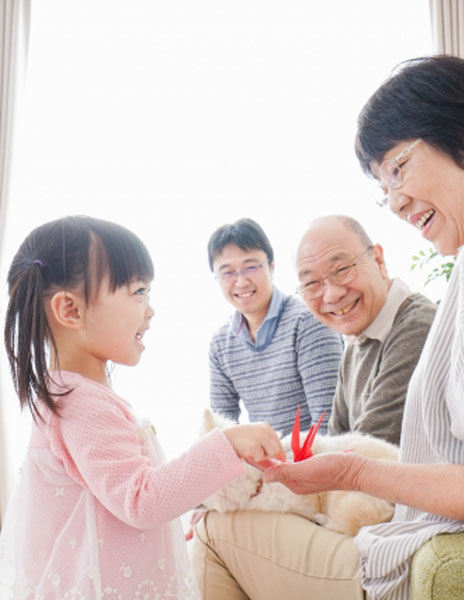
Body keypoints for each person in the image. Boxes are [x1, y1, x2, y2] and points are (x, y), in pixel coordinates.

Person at [194, 55, 464, 599]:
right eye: (383, 186)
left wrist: (353, 474)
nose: (396, 201)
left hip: (448, 557)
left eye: (398, 169)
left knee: (213, 532)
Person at [0, 215, 285, 599]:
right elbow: (141, 500)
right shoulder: (79, 403)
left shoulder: (77, 396)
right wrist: (227, 443)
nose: (150, 311)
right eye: (138, 292)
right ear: (71, 310)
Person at [296, 215, 435, 444]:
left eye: (342, 269)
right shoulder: (358, 340)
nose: (332, 295)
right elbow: (335, 442)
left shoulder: (416, 327)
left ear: (378, 260)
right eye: (311, 284)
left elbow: (364, 449)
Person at [207, 218, 344, 435]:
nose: (241, 282)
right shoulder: (221, 344)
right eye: (228, 272)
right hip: (267, 456)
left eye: (250, 267)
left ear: (272, 266)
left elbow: (328, 425)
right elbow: (221, 432)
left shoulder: (308, 322)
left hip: (319, 454)